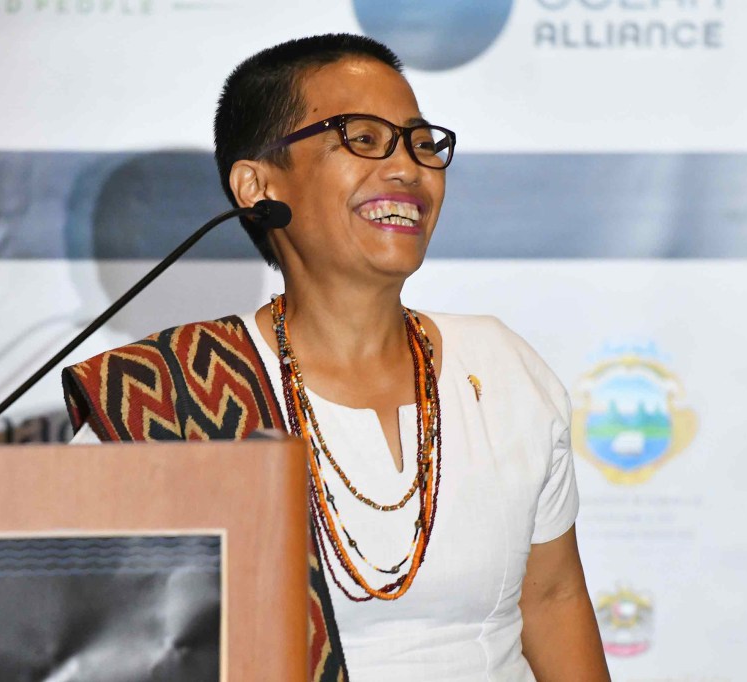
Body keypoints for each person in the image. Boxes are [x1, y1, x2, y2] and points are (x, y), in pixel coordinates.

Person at [64, 33, 610, 681]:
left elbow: (552, 600)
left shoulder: (500, 366)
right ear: (257, 184)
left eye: (420, 141)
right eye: (363, 138)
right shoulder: (165, 399)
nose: (407, 167)